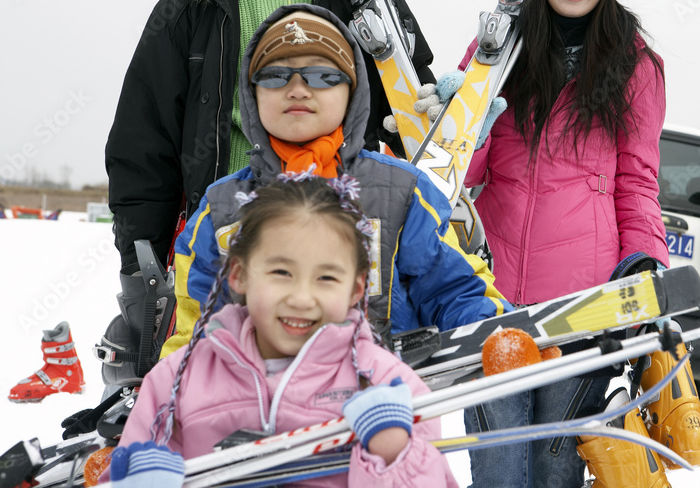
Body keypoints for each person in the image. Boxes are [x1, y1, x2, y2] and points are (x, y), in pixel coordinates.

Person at [102, 0, 435, 380]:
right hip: (227, 244)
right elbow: (143, 141)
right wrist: (142, 268)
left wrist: (431, 107)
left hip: (340, 252)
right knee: (227, 417)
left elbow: (409, 127)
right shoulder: (194, 3)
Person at [446, 0, 700, 486]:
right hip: (494, 300)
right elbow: (461, 170)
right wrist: (470, 115)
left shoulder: (636, 66)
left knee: (555, 465)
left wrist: (645, 261)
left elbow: (637, 183)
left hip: (583, 308)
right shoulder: (498, 44)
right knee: (500, 464)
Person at [160, 3, 506, 359]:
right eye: (275, 76)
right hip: (261, 408)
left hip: (381, 403)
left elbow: (453, 289)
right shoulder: (219, 212)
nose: (297, 90)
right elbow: (195, 331)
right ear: (252, 94)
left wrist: (499, 335)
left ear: (351, 92)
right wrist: (168, 396)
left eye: (322, 76)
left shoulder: (403, 193)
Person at [111, 174, 459, 487]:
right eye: (281, 273)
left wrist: (395, 456)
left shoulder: (388, 385)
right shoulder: (178, 381)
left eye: (326, 278)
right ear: (239, 275)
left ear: (356, 289)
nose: (302, 298)